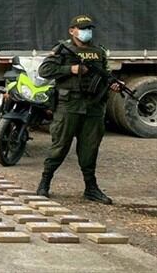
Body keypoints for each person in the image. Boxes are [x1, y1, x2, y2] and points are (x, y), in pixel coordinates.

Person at [36, 15, 122, 204]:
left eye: (89, 28)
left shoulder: (98, 51)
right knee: (59, 147)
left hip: (93, 108)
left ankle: (91, 188)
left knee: (90, 149)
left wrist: (112, 84)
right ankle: (44, 183)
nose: (87, 32)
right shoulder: (62, 50)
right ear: (72, 30)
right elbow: (44, 71)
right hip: (69, 106)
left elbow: (105, 74)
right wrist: (70, 69)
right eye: (83, 28)